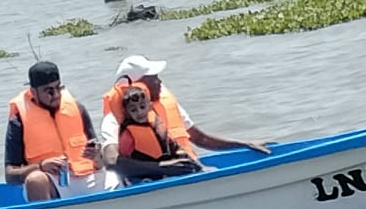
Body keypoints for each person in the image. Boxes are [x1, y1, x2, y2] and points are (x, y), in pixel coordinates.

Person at [100, 55, 271, 168]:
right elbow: (112, 160)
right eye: (153, 78)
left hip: (190, 170)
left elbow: (200, 138)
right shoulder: (114, 120)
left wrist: (245, 144)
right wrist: (162, 168)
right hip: (158, 181)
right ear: (137, 86)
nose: (159, 82)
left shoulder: (166, 104)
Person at [4, 60, 114, 202]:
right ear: (33, 92)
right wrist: (41, 166)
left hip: (88, 176)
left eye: (58, 88)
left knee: (121, 173)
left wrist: (97, 156)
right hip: (53, 183)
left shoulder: (78, 109)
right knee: (35, 180)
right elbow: (10, 176)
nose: (55, 94)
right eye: (49, 90)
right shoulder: (18, 121)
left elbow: (101, 161)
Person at [115, 86, 202, 184]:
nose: (139, 112)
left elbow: (176, 148)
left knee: (187, 165)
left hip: (165, 174)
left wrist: (199, 167)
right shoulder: (128, 135)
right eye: (133, 110)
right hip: (142, 179)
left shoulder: (157, 124)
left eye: (142, 107)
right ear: (127, 113)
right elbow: (124, 163)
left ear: (150, 106)